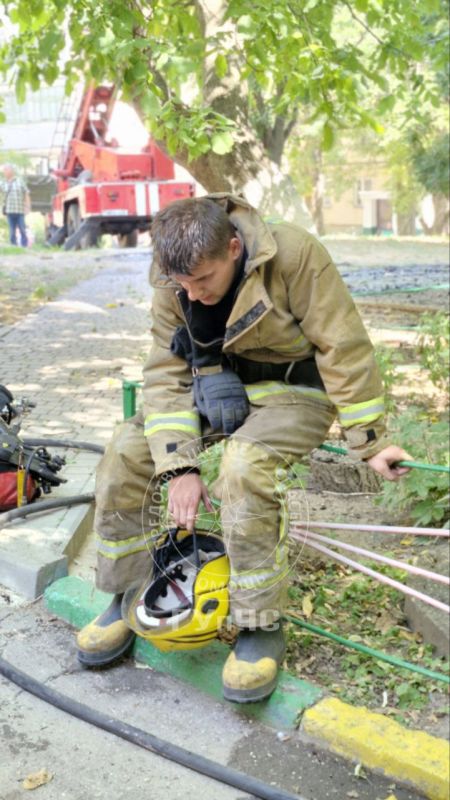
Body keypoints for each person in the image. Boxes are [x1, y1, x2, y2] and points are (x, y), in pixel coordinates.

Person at [76, 194, 412, 702]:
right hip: (215, 390)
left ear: (234, 248)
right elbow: (166, 372)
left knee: (243, 465)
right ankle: (129, 590)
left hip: (295, 392)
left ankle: (258, 623)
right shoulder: (175, 275)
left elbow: (342, 345)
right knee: (126, 449)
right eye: (181, 284)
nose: (192, 293)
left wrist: (370, 440)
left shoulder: (295, 256)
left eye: (203, 280)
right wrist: (179, 466)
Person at [1, 163, 31, 247]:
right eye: (4, 170)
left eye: (6, 170)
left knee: (22, 229)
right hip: (9, 211)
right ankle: (13, 247)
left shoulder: (20, 182)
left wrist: (28, 207)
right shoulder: (3, 183)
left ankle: (24, 247)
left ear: (11, 171)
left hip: (20, 211)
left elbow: (26, 194)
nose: (4, 172)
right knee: (12, 231)